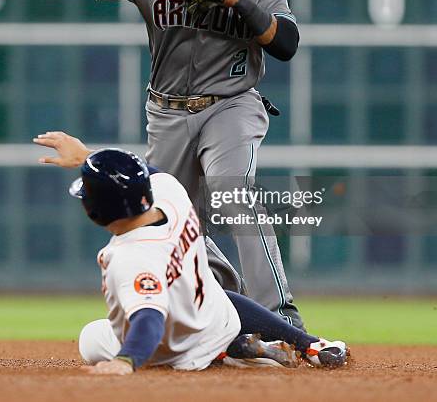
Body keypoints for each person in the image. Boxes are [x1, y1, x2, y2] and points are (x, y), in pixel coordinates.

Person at [0, 0, 303, 328]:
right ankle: (226, 306)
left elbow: (285, 43)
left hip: (232, 103)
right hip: (167, 112)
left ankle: (280, 317)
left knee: (232, 190)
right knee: (171, 220)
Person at [32, 131, 347, 375]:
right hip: (217, 318)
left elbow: (148, 318)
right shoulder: (171, 194)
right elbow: (148, 173)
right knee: (212, 292)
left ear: (97, 211)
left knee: (92, 337)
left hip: (180, 346)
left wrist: (126, 361)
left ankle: (223, 355)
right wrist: (88, 157)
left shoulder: (128, 257)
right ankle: (311, 344)